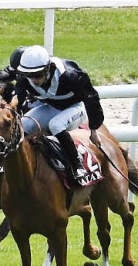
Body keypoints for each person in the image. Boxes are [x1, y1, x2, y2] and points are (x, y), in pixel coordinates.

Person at [11, 45, 105, 180]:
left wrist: (94, 130)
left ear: (48, 69)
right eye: (29, 76)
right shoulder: (24, 77)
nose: (33, 80)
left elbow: (91, 98)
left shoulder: (71, 75)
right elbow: (17, 100)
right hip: (52, 107)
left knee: (55, 124)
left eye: (37, 75)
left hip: (76, 108)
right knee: (23, 124)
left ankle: (76, 164)